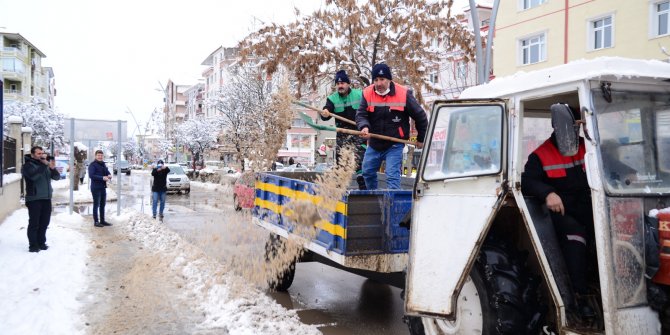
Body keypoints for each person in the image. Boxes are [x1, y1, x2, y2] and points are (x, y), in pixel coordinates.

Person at [521, 103, 594, 318]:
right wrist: (548, 193)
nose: (576, 130)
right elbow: (527, 181)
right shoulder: (541, 155)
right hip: (564, 213)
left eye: (578, 126)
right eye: (573, 125)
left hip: (591, 208)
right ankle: (579, 297)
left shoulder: (588, 147)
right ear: (559, 126)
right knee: (576, 237)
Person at [355, 63, 428, 190]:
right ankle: (373, 198)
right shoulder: (367, 93)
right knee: (367, 172)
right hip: (374, 144)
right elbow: (361, 114)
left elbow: (420, 116)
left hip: (394, 144)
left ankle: (392, 206)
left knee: (392, 176)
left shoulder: (403, 94)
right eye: (376, 80)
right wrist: (364, 126)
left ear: (389, 79)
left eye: (382, 79)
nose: (379, 83)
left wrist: (421, 139)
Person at [320, 70, 367, 190]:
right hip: (342, 134)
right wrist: (325, 113)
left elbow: (367, 111)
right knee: (341, 161)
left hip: (358, 132)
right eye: (338, 84)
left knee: (359, 158)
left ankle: (362, 183)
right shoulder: (332, 98)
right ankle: (339, 188)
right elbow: (327, 111)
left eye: (343, 83)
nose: (340, 86)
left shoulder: (359, 94)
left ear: (348, 84)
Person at [21, 146, 60, 252]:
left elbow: (57, 177)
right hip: (34, 198)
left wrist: (52, 168)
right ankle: (33, 245)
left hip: (46, 198)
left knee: (44, 222)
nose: (42, 155)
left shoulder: (45, 165)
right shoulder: (27, 165)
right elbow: (33, 177)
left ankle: (41, 243)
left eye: (42, 153)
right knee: (34, 223)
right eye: (39, 153)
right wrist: (44, 165)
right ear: (33, 154)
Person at [88, 150, 112, 228]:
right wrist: (102, 178)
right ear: (95, 156)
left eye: (101, 155)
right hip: (95, 188)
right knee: (96, 204)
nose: (100, 157)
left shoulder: (103, 164)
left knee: (102, 205)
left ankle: (102, 220)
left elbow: (106, 171)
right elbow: (91, 175)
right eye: (98, 155)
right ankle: (96, 221)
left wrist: (109, 174)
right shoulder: (92, 165)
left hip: (102, 187)